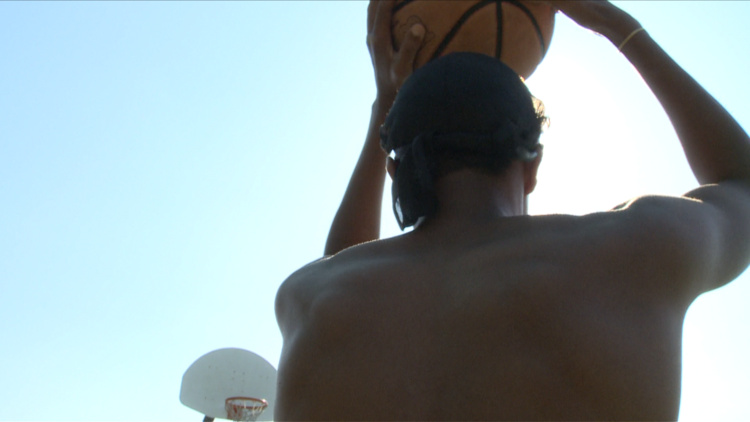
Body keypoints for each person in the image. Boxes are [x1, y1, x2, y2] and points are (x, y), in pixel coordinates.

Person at [275, 1, 750, 420]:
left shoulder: (310, 298)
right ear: (533, 164)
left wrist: (385, 105)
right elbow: (743, 182)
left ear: (395, 170)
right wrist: (615, 24)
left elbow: (340, 264)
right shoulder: (635, 252)